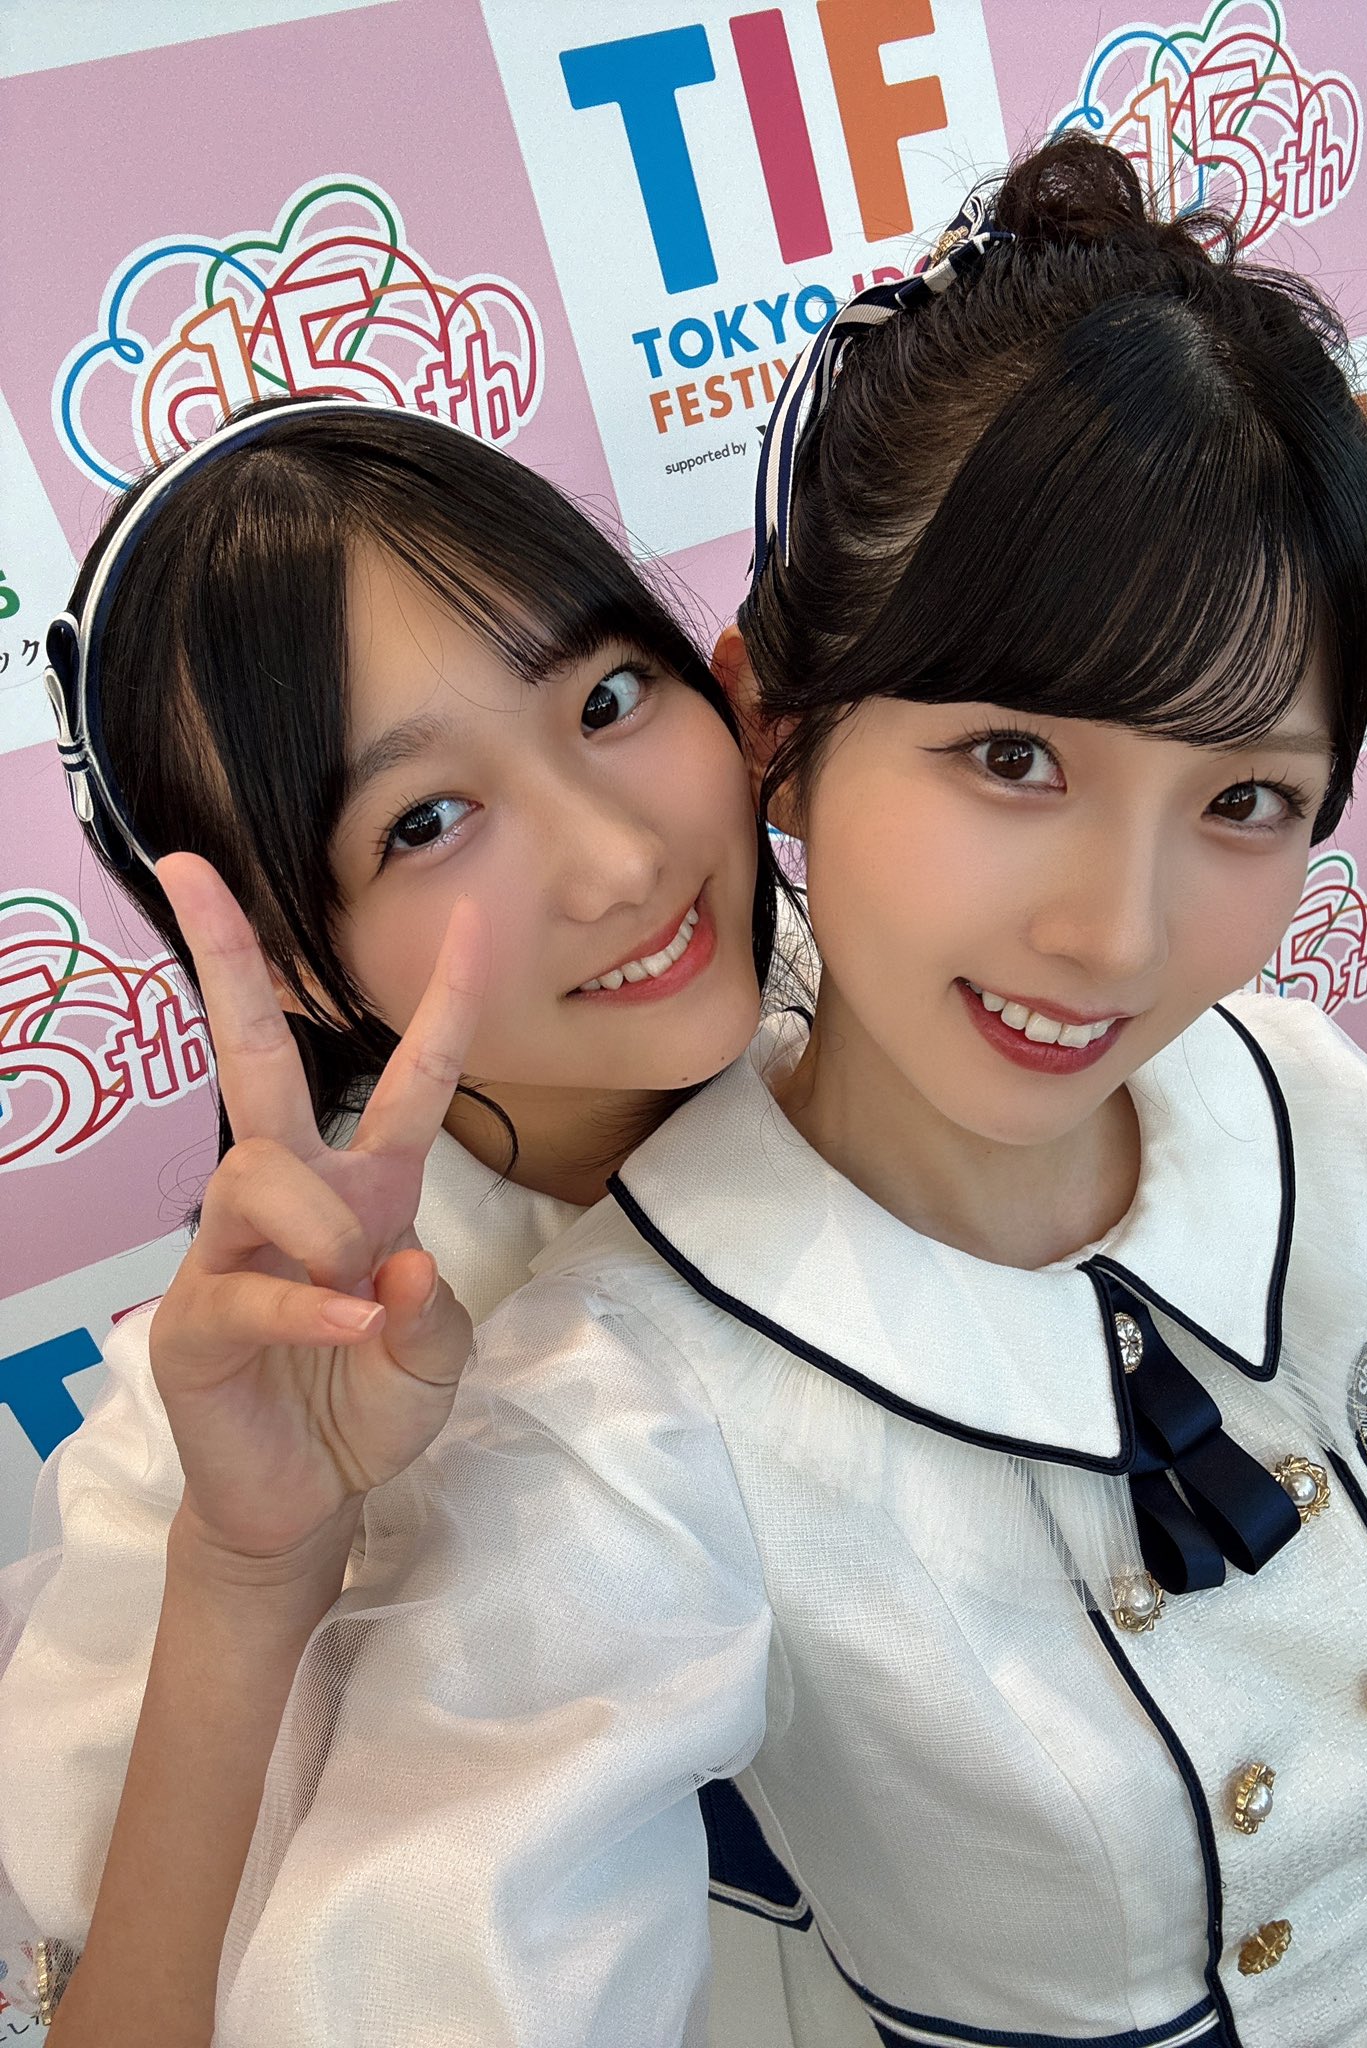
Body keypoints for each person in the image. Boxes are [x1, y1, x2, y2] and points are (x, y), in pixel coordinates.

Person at [199, 137, 1367, 2046]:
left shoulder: (1303, 1103)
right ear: (781, 726)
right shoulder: (622, 1411)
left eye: (1244, 799)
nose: (1113, 936)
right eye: (1011, 757)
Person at [0, 395, 794, 2041]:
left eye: (606, 697)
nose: (618, 861)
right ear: (289, 962)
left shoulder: (959, 1037)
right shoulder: (225, 1428)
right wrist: (252, 1567)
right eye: (425, 821)